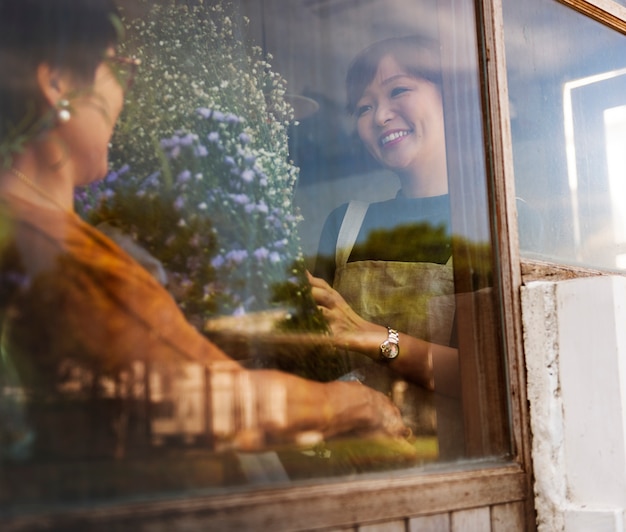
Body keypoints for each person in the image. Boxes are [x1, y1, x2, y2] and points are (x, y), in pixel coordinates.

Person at [0, 0, 411, 462]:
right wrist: (354, 406)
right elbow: (204, 401)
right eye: (116, 69)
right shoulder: (56, 253)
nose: (125, 95)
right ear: (57, 83)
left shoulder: (36, 235)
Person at [309, 37, 461, 417]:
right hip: (352, 460)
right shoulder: (344, 224)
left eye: (399, 90)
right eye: (364, 107)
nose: (380, 116)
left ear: (451, 97)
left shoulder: (499, 220)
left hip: (458, 465)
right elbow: (314, 352)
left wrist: (375, 338)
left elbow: (488, 374)